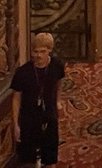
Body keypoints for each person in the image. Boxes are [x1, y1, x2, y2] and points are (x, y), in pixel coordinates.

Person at [11, 32, 65, 168]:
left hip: (49, 114)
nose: (38, 55)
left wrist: (58, 101)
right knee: (28, 159)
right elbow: (16, 98)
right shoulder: (22, 72)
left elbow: (59, 84)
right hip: (28, 117)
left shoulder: (57, 65)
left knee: (50, 157)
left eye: (43, 51)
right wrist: (16, 124)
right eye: (35, 51)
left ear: (49, 51)